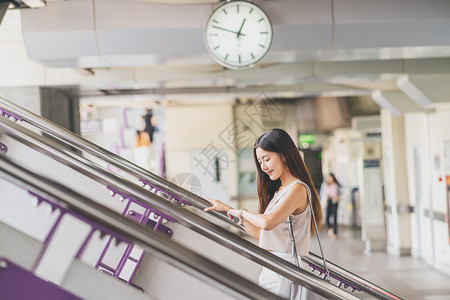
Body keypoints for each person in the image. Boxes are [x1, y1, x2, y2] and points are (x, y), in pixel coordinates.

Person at [204, 128, 323, 299]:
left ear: (283, 154)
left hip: (285, 271)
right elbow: (263, 234)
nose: (263, 166)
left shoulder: (297, 189)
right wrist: (229, 210)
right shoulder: (280, 191)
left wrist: (242, 212)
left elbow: (268, 222)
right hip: (273, 269)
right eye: (260, 162)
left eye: (267, 159)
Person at [324, 173, 341, 240]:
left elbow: (341, 193)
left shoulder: (336, 185)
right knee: (327, 217)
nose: (330, 179)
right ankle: (330, 229)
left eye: (331, 177)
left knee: (334, 217)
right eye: (329, 177)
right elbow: (323, 193)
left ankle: (334, 233)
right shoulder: (325, 185)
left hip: (335, 201)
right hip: (328, 201)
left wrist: (338, 197)